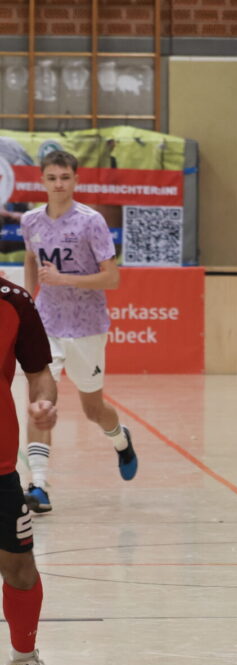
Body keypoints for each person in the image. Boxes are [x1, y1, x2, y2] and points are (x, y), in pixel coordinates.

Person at [20, 150, 137, 514]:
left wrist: (64, 279)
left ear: (76, 180)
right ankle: (38, 485)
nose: (59, 184)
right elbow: (30, 258)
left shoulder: (91, 221)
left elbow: (112, 278)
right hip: (47, 324)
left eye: (65, 178)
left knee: (93, 409)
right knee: (41, 402)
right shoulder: (30, 221)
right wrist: (29, 303)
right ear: (42, 181)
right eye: (52, 178)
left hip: (87, 326)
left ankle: (120, 439)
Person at [0, 274, 61, 665]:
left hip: (0, 463)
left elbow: (39, 373)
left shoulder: (14, 301)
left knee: (20, 568)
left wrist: (44, 401)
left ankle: (24, 660)